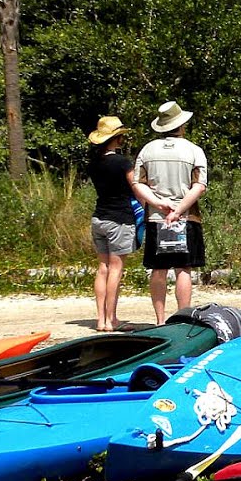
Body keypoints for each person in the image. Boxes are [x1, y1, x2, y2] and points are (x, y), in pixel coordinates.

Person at [134, 101, 207, 326]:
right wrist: (179, 208)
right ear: (181, 125)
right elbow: (200, 185)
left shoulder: (147, 150)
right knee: (183, 269)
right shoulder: (194, 150)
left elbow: (138, 184)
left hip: (157, 217)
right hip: (186, 217)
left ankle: (159, 320)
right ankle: (183, 317)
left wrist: (158, 202)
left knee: (159, 269)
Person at [86, 115, 138, 331]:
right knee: (116, 269)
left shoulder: (93, 164)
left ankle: (100, 319)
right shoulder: (123, 163)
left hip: (99, 217)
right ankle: (111, 319)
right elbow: (136, 187)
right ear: (117, 139)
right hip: (119, 218)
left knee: (103, 268)